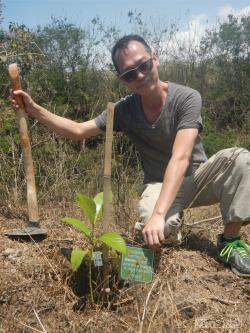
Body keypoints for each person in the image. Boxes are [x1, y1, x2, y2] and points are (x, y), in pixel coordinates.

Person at [12, 34, 250, 277]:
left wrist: (159, 215)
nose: (139, 75)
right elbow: (79, 130)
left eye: (143, 65)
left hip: (199, 177)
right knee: (155, 230)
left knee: (241, 158)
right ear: (122, 80)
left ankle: (230, 242)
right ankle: (164, 238)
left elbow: (181, 157)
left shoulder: (187, 98)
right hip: (158, 184)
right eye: (129, 74)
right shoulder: (123, 110)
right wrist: (34, 109)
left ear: (155, 59)